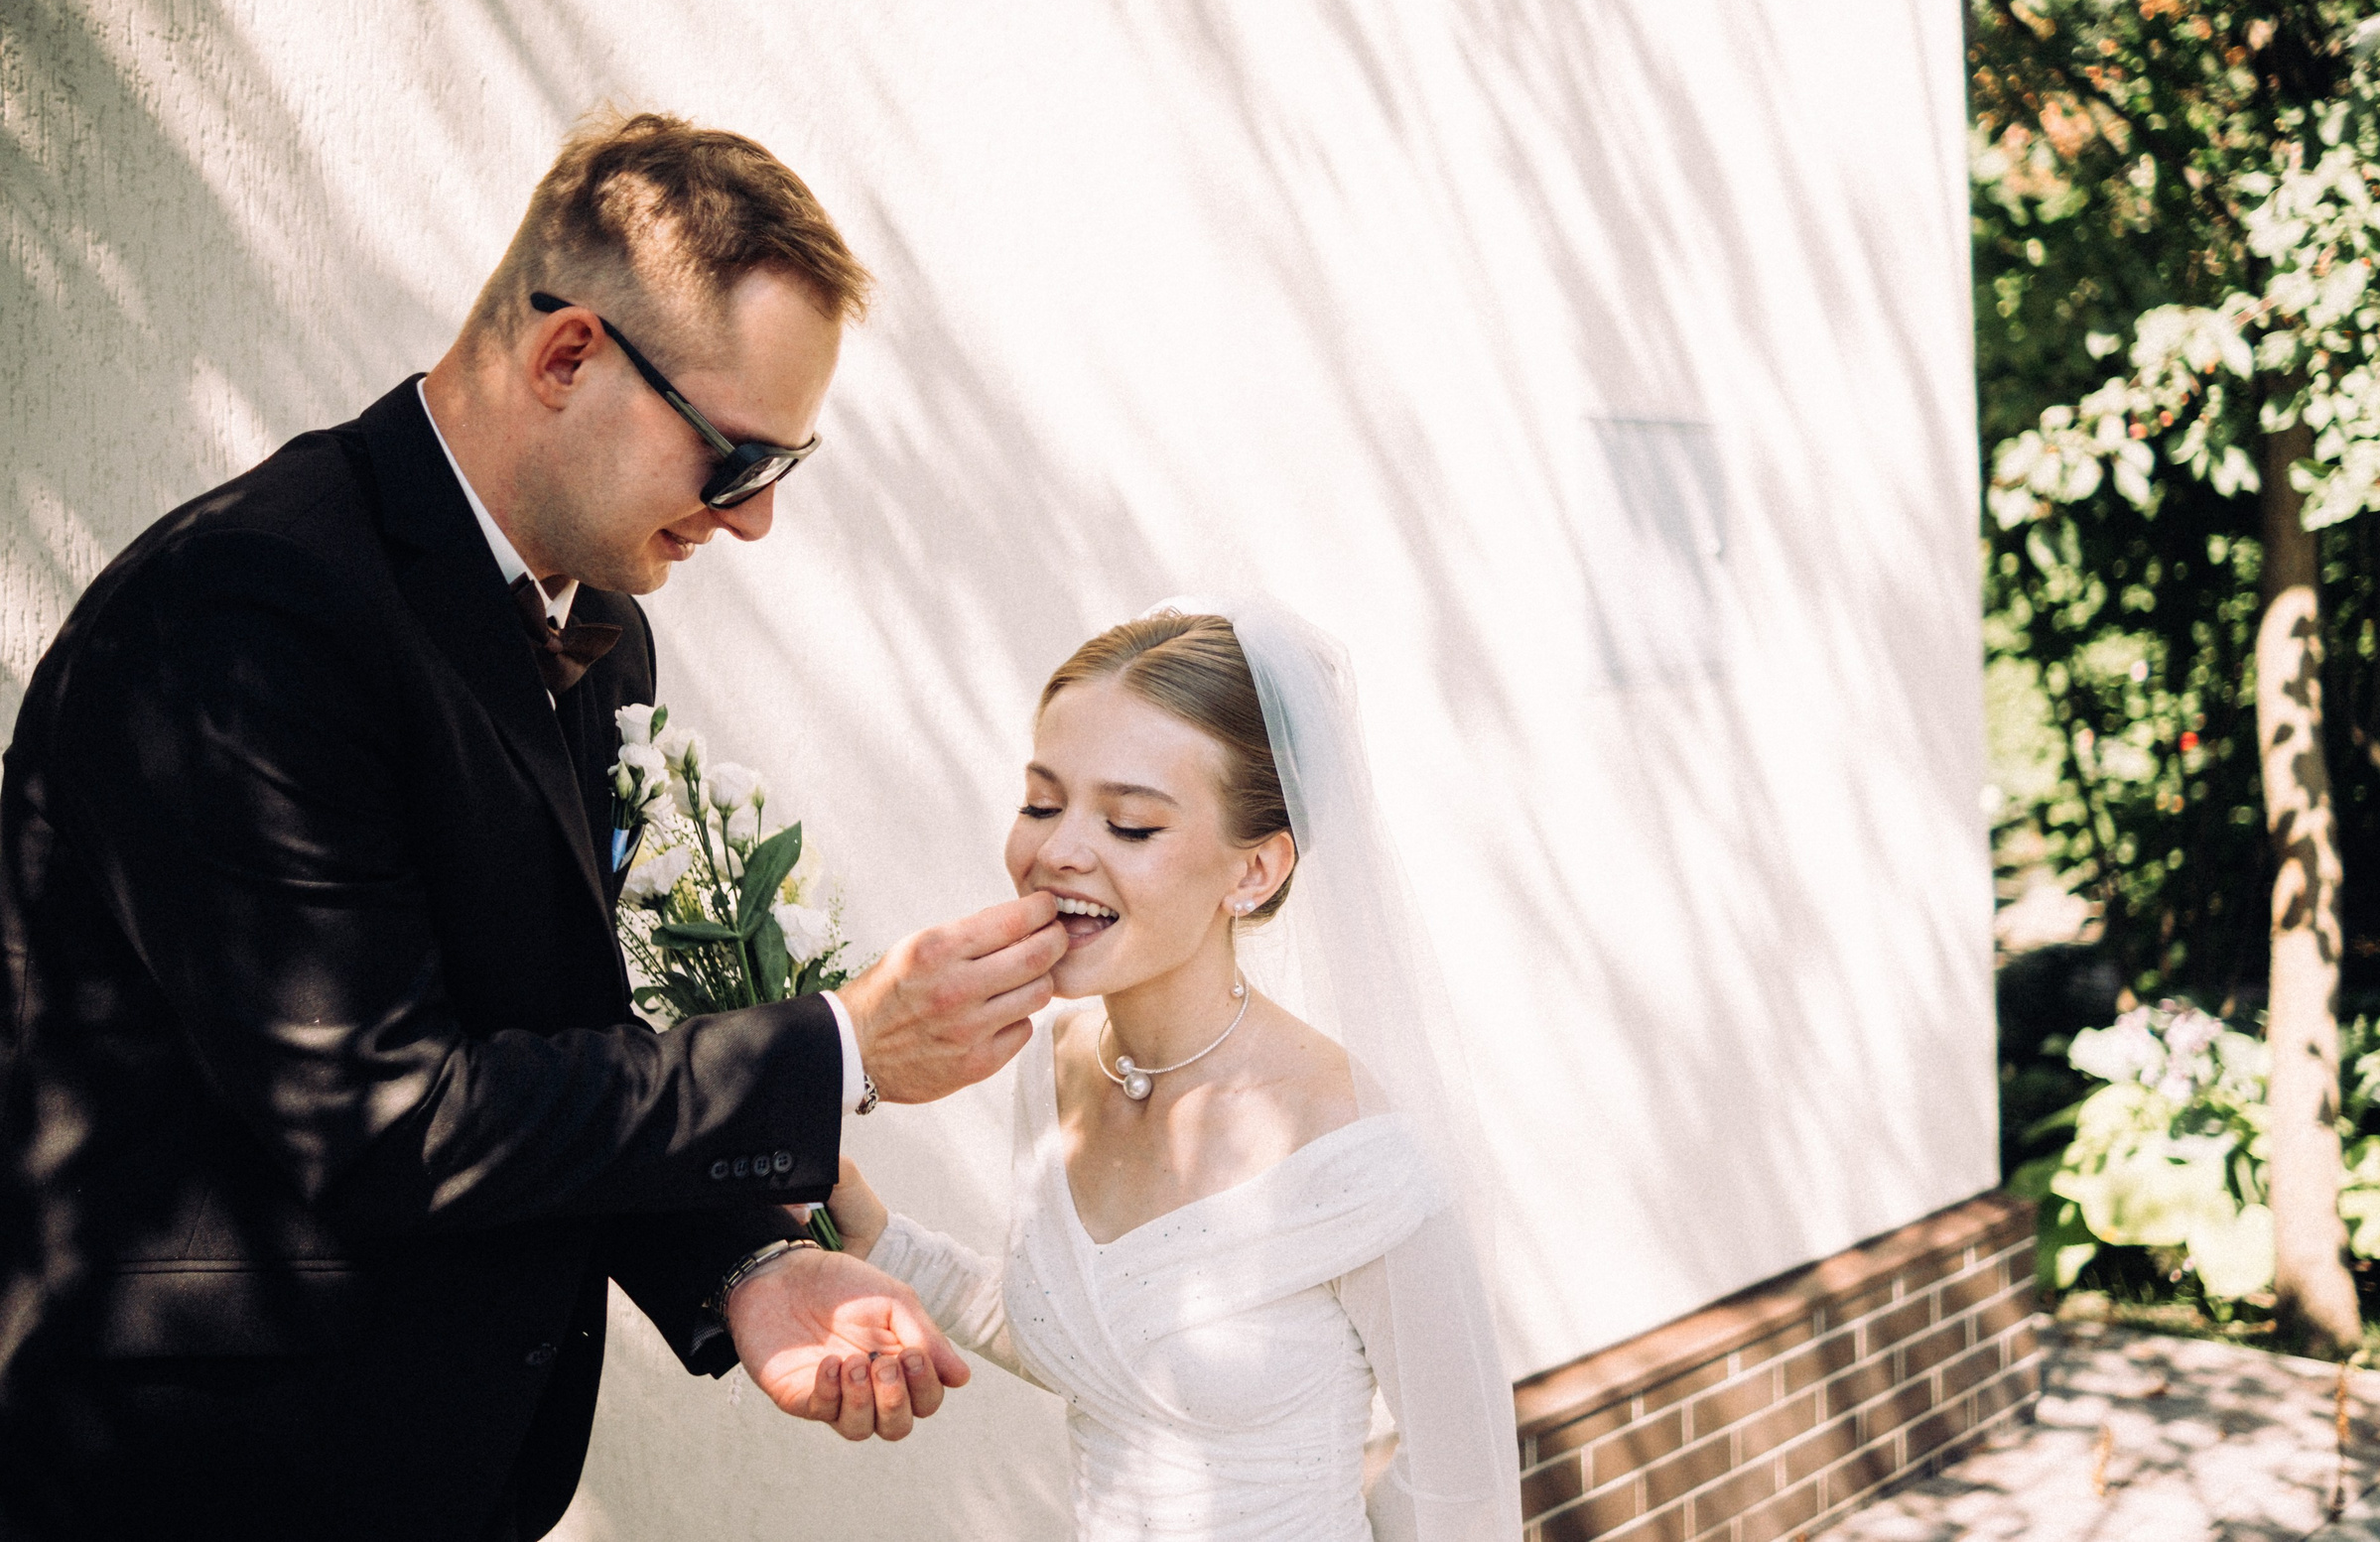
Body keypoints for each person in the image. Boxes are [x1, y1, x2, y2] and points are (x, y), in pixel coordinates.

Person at [0, 111, 1069, 1541]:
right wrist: (842, 1050)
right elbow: (389, 1116)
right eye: (734, 459)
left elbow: (544, 1054)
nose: (751, 523)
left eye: (782, 471)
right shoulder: (249, 612)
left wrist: (742, 1259)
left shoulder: (603, 637)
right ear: (569, 356)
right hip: (201, 1480)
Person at [827, 602, 1521, 1542]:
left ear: (1255, 871)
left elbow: (1462, 1499)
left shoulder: (1353, 1146)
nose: (1058, 850)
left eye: (1130, 823)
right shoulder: (1057, 1065)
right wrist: (876, 1234)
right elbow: (1101, 1344)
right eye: (1041, 802)